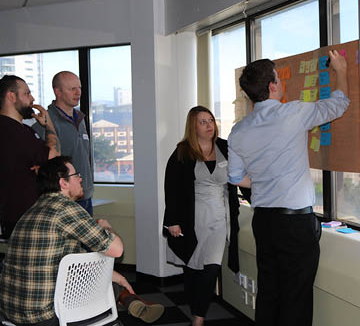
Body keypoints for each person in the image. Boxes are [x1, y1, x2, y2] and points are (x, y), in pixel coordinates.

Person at [227, 50, 349, 326]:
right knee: (296, 296)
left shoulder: (239, 131)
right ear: (272, 86)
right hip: (295, 225)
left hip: (265, 222)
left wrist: (266, 181)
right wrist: (341, 70)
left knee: (270, 292)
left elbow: (236, 178)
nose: (282, 84)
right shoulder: (293, 112)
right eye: (278, 79)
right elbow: (338, 105)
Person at [0, 156, 164, 325]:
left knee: (106, 280)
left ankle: (131, 301)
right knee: (104, 287)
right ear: (63, 183)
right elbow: (116, 249)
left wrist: (111, 274)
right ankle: (130, 300)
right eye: (76, 175)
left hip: (12, 311)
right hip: (46, 316)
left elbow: (64, 257)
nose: (81, 178)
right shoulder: (66, 208)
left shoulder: (32, 211)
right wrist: (106, 228)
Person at [163, 106, 250, 326]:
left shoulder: (224, 147)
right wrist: (172, 221)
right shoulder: (183, 151)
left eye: (211, 120)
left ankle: (198, 318)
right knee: (192, 267)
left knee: (211, 268)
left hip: (221, 218)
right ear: (193, 126)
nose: (209, 125)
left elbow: (241, 176)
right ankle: (195, 307)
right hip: (192, 219)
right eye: (203, 121)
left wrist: (260, 196)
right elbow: (171, 187)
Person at [0, 75, 60, 239]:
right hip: (20, 219)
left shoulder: (26, 131)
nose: (32, 99)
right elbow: (54, 156)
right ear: (11, 96)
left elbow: (49, 159)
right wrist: (49, 125)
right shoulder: (10, 130)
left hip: (27, 216)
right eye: (27, 94)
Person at [33, 71, 94, 216]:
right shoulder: (46, 122)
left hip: (84, 194)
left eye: (79, 88)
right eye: (72, 89)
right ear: (58, 92)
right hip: (63, 198)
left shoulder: (80, 118)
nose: (78, 92)